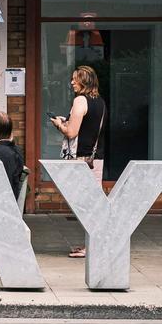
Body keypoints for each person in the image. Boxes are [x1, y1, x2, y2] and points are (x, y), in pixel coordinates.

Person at [50, 65, 107, 258]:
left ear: (85, 82)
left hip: (81, 160)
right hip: (95, 158)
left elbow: (72, 132)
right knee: (93, 203)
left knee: (85, 204)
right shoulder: (99, 102)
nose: (72, 82)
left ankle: (93, 246)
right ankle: (91, 245)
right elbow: (87, 129)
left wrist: (59, 125)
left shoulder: (80, 100)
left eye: (76, 79)